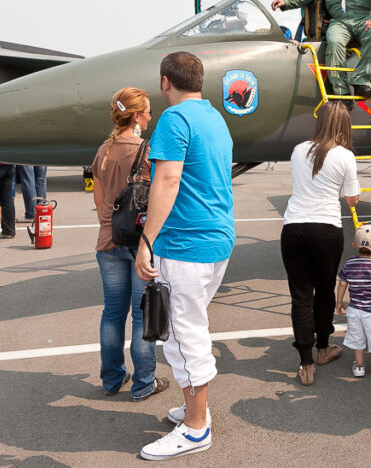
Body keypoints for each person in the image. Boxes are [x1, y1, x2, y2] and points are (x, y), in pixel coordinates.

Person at [135, 51, 234, 461]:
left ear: (164, 81)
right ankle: (195, 410)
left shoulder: (174, 119)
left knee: (183, 334)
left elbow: (168, 178)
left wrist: (147, 240)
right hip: (216, 240)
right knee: (187, 326)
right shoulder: (214, 118)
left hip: (184, 244)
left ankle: (195, 428)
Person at [92, 87, 168, 402]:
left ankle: (111, 380)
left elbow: (100, 206)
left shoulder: (103, 151)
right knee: (141, 315)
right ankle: (143, 383)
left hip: (107, 241)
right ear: (136, 116)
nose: (150, 116)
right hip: (140, 245)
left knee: (112, 312)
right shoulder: (147, 150)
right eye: (148, 111)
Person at [280, 100, 359, 385]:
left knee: (301, 296)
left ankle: (306, 363)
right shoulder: (346, 156)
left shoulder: (299, 149)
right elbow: (352, 199)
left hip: (294, 226)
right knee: (324, 290)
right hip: (326, 228)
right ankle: (323, 347)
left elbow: (297, 185)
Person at [335, 225, 371, 379]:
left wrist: (339, 302)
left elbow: (342, 283)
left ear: (354, 245)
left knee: (357, 339)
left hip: (354, 309)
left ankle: (359, 367)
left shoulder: (350, 263)